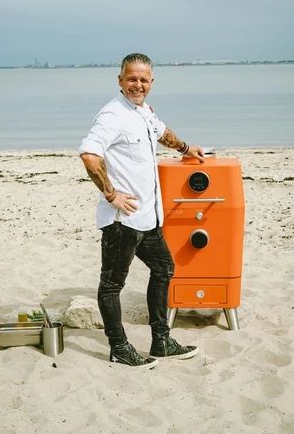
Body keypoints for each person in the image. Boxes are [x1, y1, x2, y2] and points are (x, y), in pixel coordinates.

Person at [79, 53, 205, 369]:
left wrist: (186, 149)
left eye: (143, 79)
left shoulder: (144, 111)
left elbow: (162, 133)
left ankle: (161, 341)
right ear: (120, 80)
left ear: (151, 82)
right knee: (112, 285)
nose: (138, 84)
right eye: (132, 78)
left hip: (149, 219)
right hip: (122, 221)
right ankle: (119, 347)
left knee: (164, 268)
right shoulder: (112, 115)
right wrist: (111, 194)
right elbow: (90, 155)